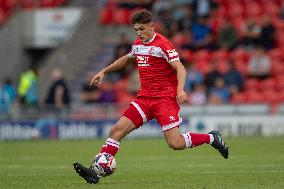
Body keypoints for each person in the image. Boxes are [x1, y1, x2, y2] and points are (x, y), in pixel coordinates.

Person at [73, 9, 229, 184]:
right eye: (136, 30)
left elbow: (180, 68)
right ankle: (96, 172)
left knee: (175, 143)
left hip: (165, 100)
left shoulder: (162, 44)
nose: (139, 33)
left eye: (141, 29)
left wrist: (180, 90)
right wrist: (104, 71)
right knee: (116, 130)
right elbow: (126, 59)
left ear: (151, 26)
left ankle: (211, 138)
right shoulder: (138, 44)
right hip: (145, 99)